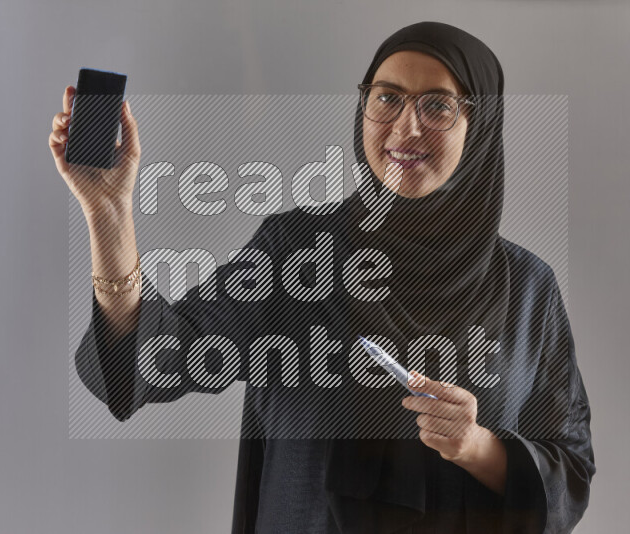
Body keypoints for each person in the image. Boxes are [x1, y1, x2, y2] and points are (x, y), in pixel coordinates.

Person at [49, 21, 595, 534]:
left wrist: (475, 445)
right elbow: (156, 361)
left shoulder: (527, 289)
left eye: (437, 106)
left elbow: (568, 470)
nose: (406, 127)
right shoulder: (297, 254)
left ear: (481, 126)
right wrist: (110, 214)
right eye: (387, 98)